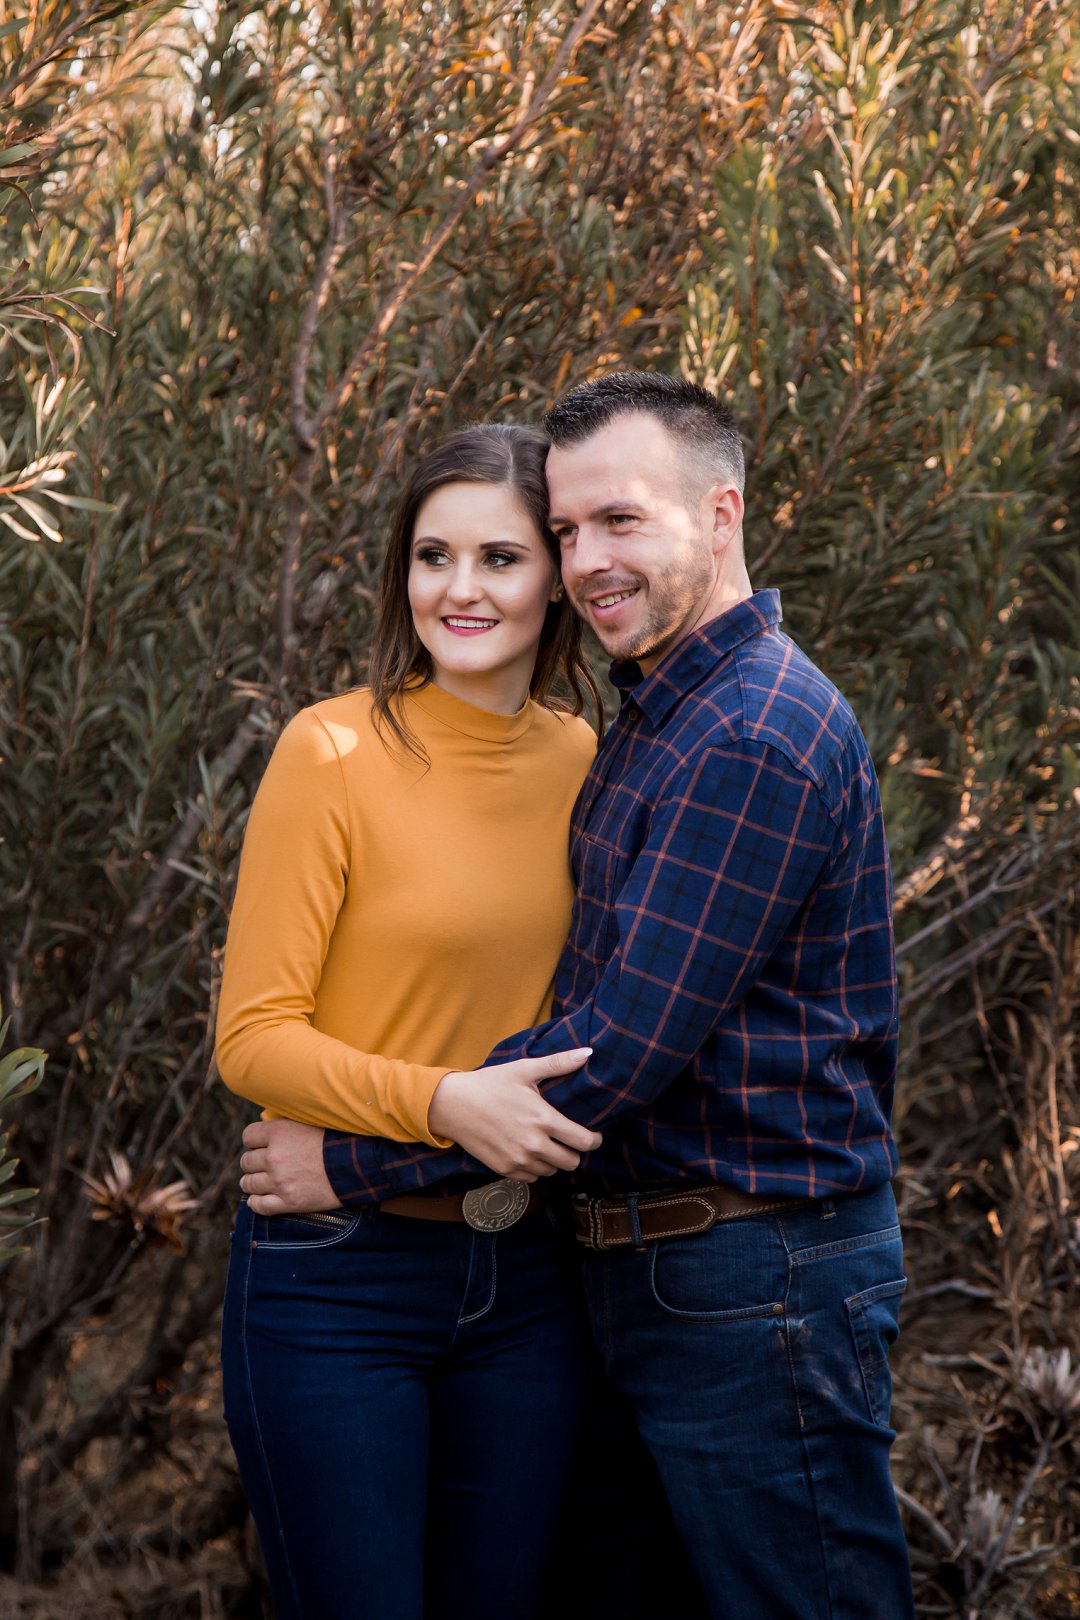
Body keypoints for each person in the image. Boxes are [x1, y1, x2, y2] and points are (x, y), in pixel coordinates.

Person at [241, 372, 916, 1620]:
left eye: (616, 523)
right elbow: (261, 1031)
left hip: (737, 1274)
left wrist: (355, 1161)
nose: (581, 558)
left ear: (719, 516)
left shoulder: (737, 733)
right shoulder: (642, 721)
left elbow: (607, 1058)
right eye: (566, 530)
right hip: (593, 1275)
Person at [216, 423, 609, 1620]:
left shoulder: (589, 758)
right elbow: (253, 1035)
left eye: (499, 557)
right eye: (432, 556)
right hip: (338, 1278)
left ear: (556, 571)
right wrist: (441, 1103)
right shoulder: (331, 750)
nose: (460, 589)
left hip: (528, 1278)